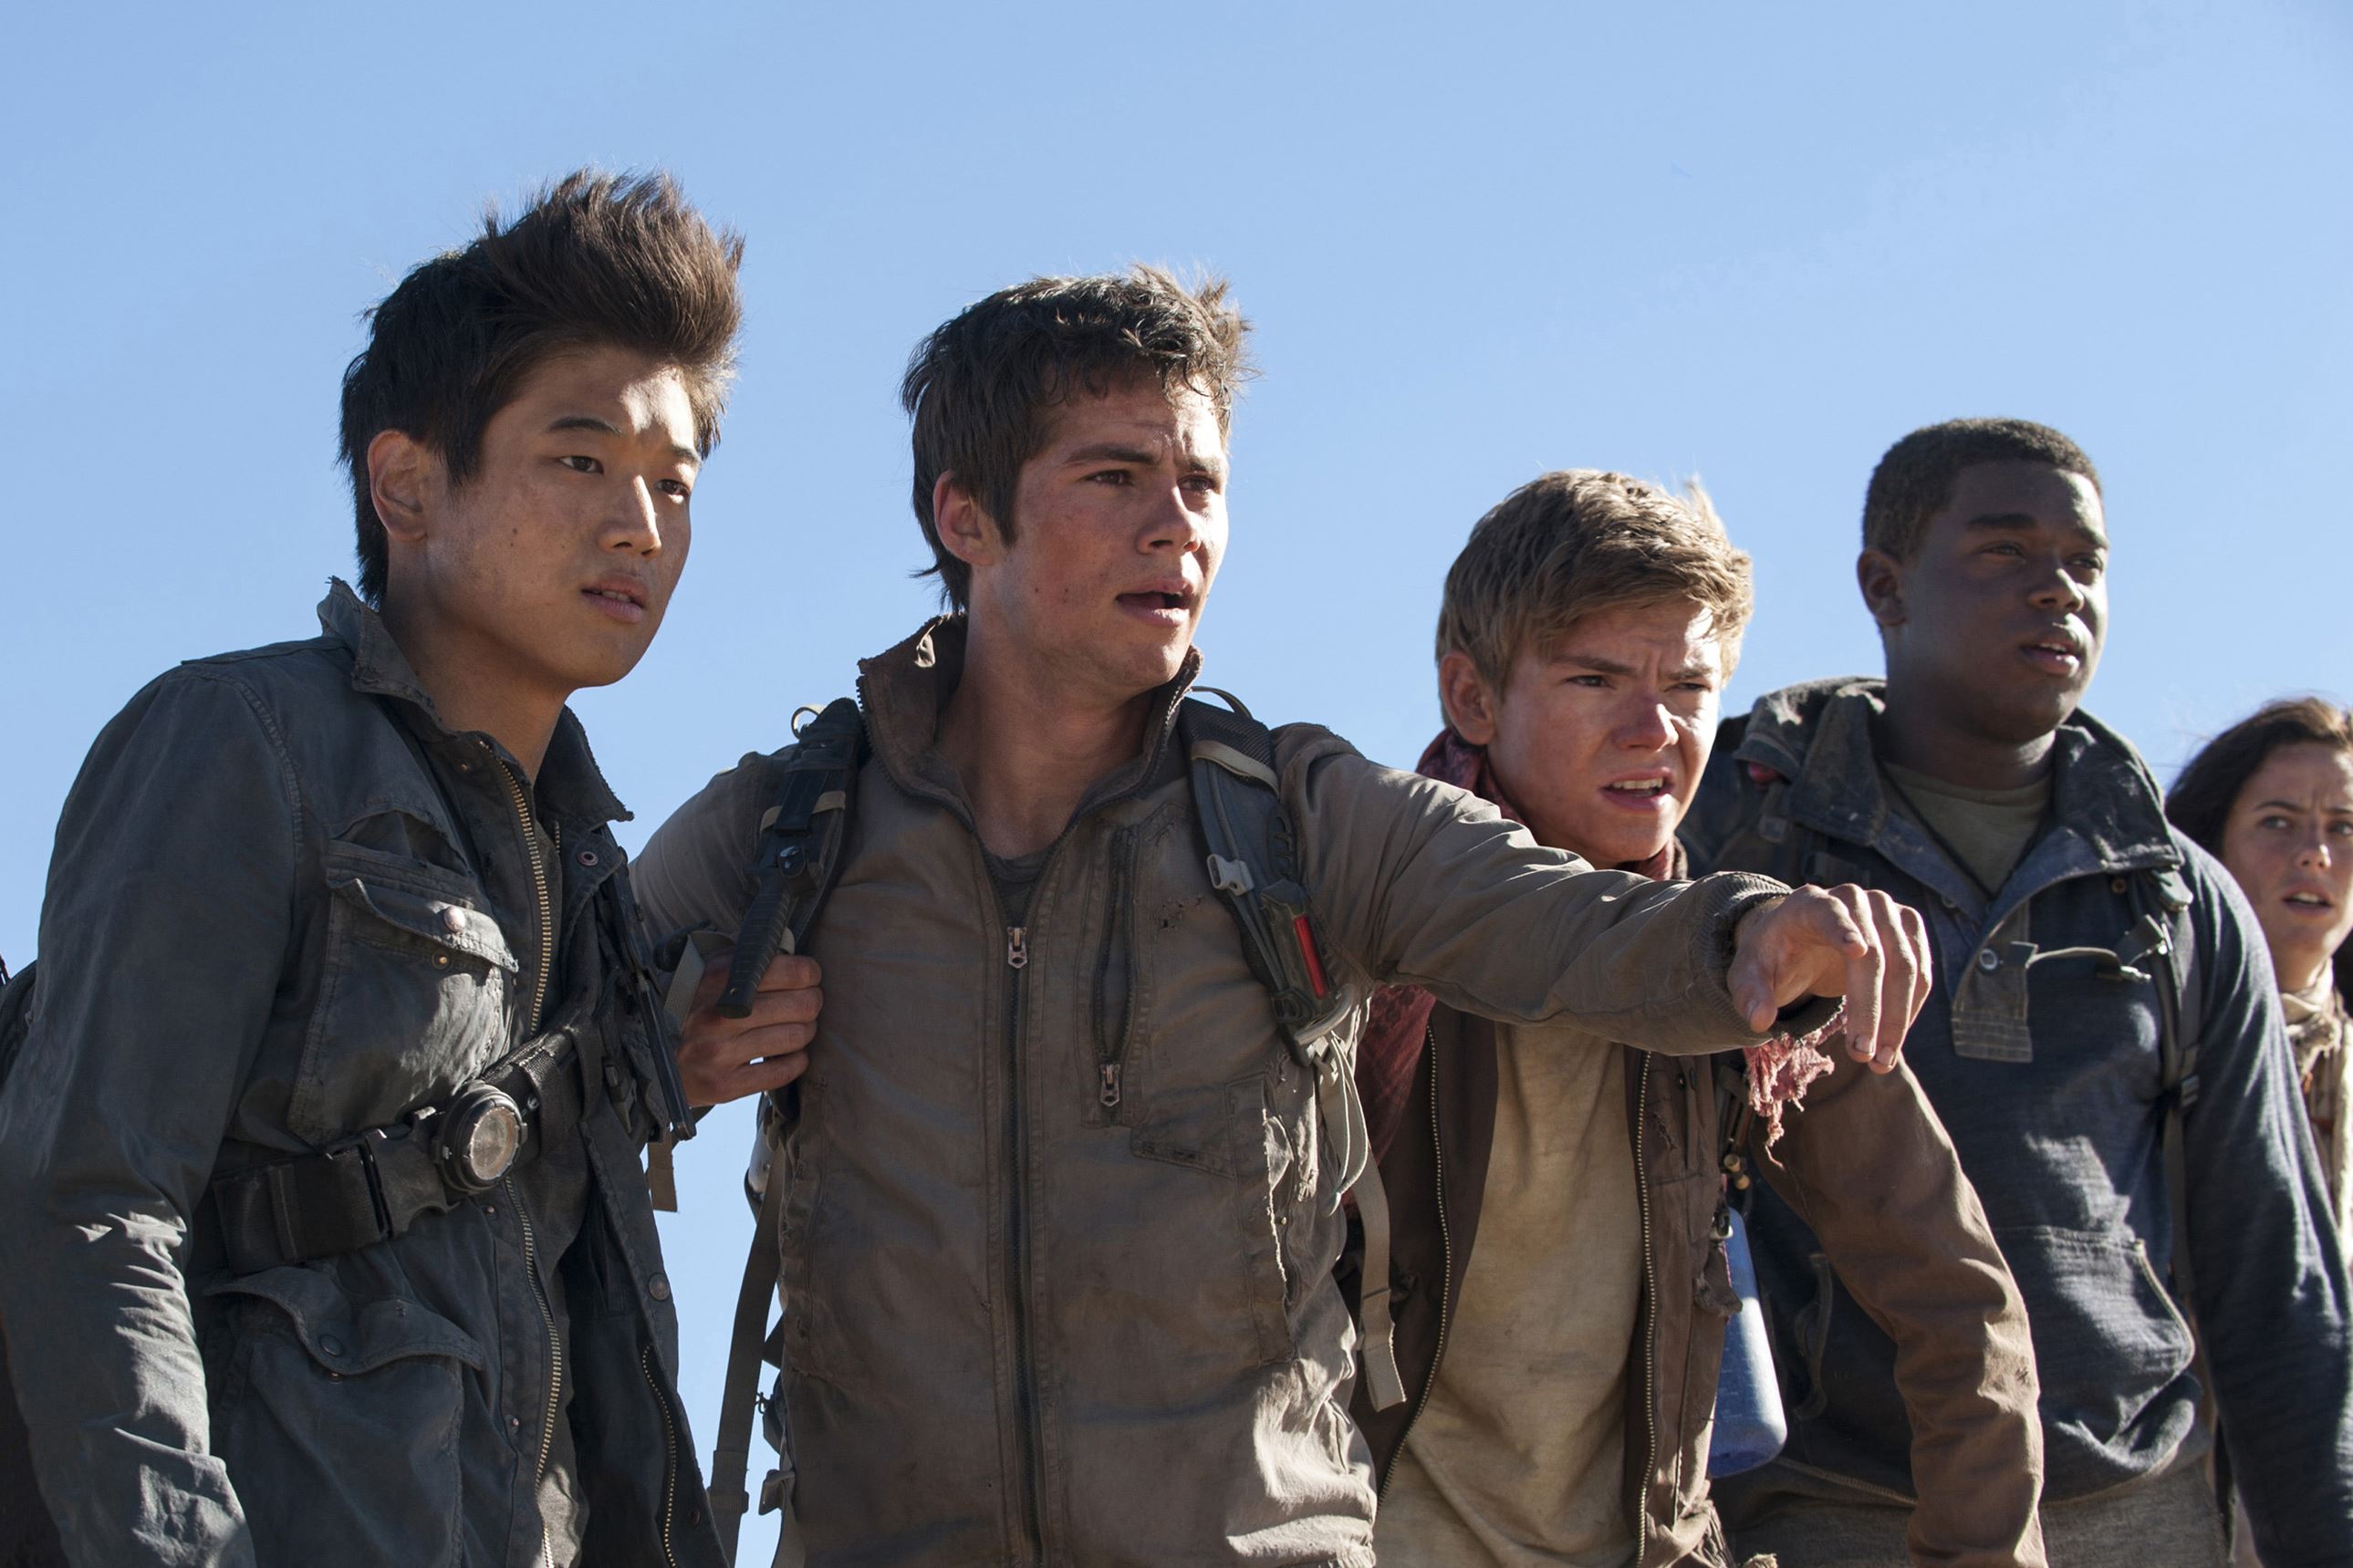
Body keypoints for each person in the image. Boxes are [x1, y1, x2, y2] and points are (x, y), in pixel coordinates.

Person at [632, 268, 1931, 1568]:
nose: (1175, 527)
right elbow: (555, 1037)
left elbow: (1559, 916)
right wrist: (662, 1064)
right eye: (1114, 478)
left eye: (1199, 483)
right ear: (965, 514)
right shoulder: (789, 832)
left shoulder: (1295, 817)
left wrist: (1753, 933)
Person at [0, 171, 821, 1568]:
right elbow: (89, 1197)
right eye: (581, 460)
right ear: (407, 484)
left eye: (675, 482)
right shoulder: (242, 742)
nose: (641, 523)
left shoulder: (585, 875)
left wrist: (649, 1072)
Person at [1681, 418, 2353, 1565]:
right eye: (2004, 550)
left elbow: (2273, 1284)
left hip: (2131, 1514)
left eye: (2083, 562)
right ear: (1884, 587)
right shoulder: (1735, 832)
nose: (2056, 590)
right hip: (1826, 1512)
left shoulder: (2178, 895)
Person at [1351, 470, 2044, 1568]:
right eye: (1594, 679)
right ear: (1471, 697)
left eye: (1688, 685)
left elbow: (1958, 1307)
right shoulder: (1353, 934)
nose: (1654, 730)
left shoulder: (1759, 969)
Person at [2167, 699, 2353, 1243]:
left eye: (2344, 828)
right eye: (2277, 822)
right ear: (2211, 847)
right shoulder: (2147, 1034)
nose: (2315, 854)